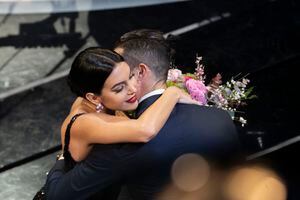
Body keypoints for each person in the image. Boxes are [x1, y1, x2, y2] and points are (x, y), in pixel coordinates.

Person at [45, 30, 241, 200]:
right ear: (94, 97)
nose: (131, 89)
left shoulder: (121, 147)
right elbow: (145, 129)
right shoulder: (220, 117)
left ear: (140, 72)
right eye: (119, 87)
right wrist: (172, 93)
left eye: (129, 76)